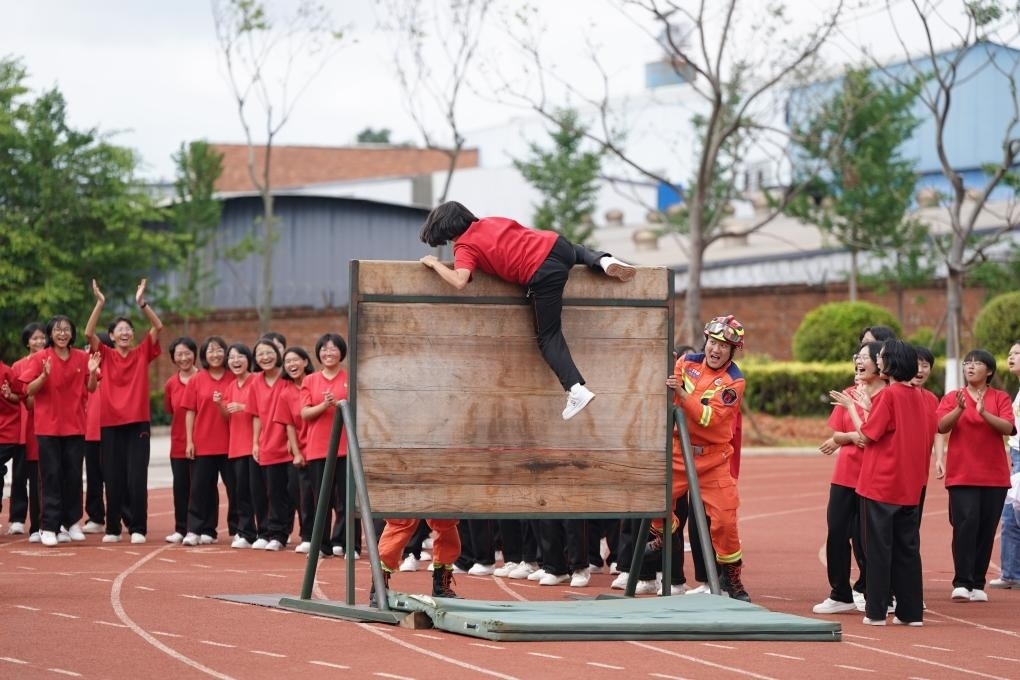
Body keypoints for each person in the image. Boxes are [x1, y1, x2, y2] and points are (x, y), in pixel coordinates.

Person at [418, 200, 635, 420]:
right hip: (556, 244)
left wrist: (435, 264)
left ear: (443, 230)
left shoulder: (464, 246)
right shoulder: (490, 221)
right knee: (577, 250)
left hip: (542, 272)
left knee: (548, 336)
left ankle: (576, 389)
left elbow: (459, 281)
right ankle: (603, 260)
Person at [660, 315, 749, 601]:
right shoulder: (686, 362)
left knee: (724, 521)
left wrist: (681, 393)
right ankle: (664, 531)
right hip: (677, 452)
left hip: (713, 460)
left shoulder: (734, 382)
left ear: (733, 351)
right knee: (650, 499)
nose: (716, 349)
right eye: (713, 341)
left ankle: (732, 579)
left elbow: (707, 417)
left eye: (724, 346)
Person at [854, 339, 936, 626]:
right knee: (908, 551)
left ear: (891, 364)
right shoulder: (924, 397)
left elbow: (868, 435)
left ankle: (876, 611)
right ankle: (911, 612)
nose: (878, 362)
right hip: (910, 485)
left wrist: (865, 408)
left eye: (882, 357)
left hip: (881, 483)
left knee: (877, 550)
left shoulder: (889, 395)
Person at [84, 278, 163, 544]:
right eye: (120, 330)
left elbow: (157, 326)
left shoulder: (142, 353)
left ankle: (138, 528)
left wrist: (142, 303)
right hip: (110, 424)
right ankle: (113, 528)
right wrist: (100, 303)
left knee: (137, 477)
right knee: (113, 477)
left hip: (138, 424)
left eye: (128, 329)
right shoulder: (105, 355)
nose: (125, 332)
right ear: (113, 335)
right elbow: (87, 334)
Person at [935, 348, 1015, 603]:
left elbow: (1008, 428)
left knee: (985, 528)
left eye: (977, 363)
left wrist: (983, 413)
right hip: (962, 474)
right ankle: (962, 581)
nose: (970, 367)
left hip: (994, 476)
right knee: (965, 525)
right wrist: (960, 409)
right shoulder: (953, 397)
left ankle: (977, 582)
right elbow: (941, 426)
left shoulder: (1000, 397)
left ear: (989, 371)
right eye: (967, 363)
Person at [813, 341, 885, 615]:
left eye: (866, 357)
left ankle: (869, 588)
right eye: (858, 356)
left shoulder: (888, 395)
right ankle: (839, 592)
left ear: (881, 363)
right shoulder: (848, 393)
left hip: (873, 475)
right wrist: (851, 437)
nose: (859, 361)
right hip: (844, 474)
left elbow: (869, 438)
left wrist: (851, 436)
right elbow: (839, 434)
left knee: (866, 537)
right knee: (837, 531)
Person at [18, 316, 100, 546]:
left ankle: (70, 522)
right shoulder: (40, 357)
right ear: (50, 334)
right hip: (48, 428)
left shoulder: (83, 358)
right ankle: (48, 526)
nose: (62, 334)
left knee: (73, 476)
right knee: (51, 475)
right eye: (57, 330)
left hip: (74, 425)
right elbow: (27, 390)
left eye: (66, 330)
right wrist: (44, 375)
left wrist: (92, 372)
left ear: (72, 334)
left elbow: (91, 387)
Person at [180, 336, 231, 546]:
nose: (215, 354)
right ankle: (195, 529)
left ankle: (237, 529)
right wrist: (189, 441)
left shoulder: (233, 377)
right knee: (201, 488)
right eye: (211, 350)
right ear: (204, 355)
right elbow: (190, 412)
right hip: (203, 442)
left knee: (235, 489)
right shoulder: (197, 380)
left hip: (231, 444)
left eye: (219, 350)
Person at [7, 322, 46, 539]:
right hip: (21, 427)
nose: (39, 341)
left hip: (41, 427)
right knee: (19, 475)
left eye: (42, 338)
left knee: (39, 477)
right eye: (34, 338)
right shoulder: (18, 366)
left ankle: (43, 521)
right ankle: (17, 518)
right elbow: (14, 397)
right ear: (27, 342)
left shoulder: (50, 361)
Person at [221, 343, 259, 549]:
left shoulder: (256, 381)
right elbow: (226, 414)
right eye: (232, 357)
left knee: (259, 492)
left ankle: (266, 530)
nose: (235, 361)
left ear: (248, 358)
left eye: (240, 356)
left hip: (255, 445)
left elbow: (264, 408)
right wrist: (220, 404)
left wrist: (244, 407)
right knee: (240, 492)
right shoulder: (230, 386)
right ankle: (245, 532)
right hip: (236, 446)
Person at [990, 340, 1020, 588]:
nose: (1011, 357)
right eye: (1009, 353)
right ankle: (1011, 573)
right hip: (1016, 455)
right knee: (1009, 517)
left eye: (1017, 353)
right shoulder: (1018, 389)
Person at [163, 336, 198, 543]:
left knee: (201, 486)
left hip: (202, 442)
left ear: (195, 354)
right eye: (179, 354)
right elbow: (170, 411)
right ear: (173, 358)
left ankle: (203, 528)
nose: (183, 358)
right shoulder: (170, 384)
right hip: (178, 442)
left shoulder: (202, 378)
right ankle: (181, 528)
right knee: (181, 487)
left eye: (187, 353)